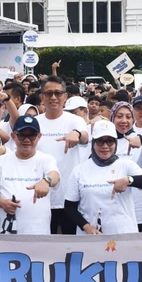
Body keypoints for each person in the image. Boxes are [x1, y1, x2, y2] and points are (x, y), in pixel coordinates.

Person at [65, 120, 142, 234]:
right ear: (93, 143)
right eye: (100, 141)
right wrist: (86, 227)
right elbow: (69, 207)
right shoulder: (79, 170)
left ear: (115, 143)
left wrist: (128, 180)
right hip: (90, 236)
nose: (105, 146)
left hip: (123, 233)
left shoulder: (126, 165)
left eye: (110, 141)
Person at [0, 115, 60, 235]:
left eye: (32, 135)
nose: (27, 139)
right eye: (22, 135)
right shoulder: (1, 161)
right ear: (13, 136)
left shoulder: (46, 159)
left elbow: (54, 174)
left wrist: (46, 181)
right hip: (8, 231)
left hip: (38, 232)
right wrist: (2, 203)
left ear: (39, 137)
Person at [34, 76, 89, 234]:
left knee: (70, 243)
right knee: (44, 243)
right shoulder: (35, 123)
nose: (53, 97)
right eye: (49, 93)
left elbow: (85, 137)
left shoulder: (75, 121)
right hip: (41, 196)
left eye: (58, 93)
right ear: (42, 97)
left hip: (69, 197)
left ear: (65, 96)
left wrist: (76, 133)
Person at [109, 101, 142, 231]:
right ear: (112, 118)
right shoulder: (105, 140)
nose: (124, 121)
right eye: (119, 116)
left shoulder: (138, 139)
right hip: (110, 202)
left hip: (135, 204)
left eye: (128, 117)